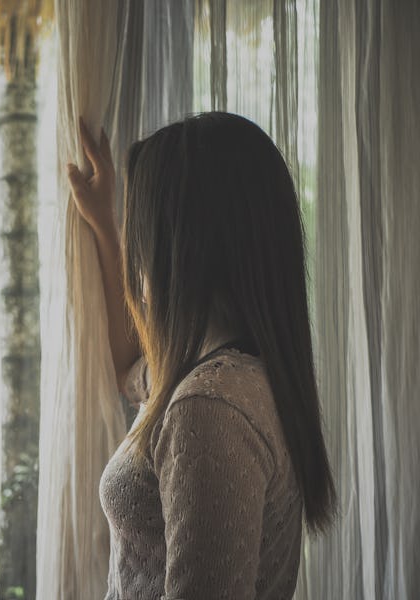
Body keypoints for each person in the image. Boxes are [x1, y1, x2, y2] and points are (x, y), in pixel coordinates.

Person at [66, 112, 337, 600]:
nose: (136, 243)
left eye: (139, 222)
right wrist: (105, 229)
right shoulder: (233, 370)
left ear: (180, 239)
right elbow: (130, 366)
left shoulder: (210, 408)